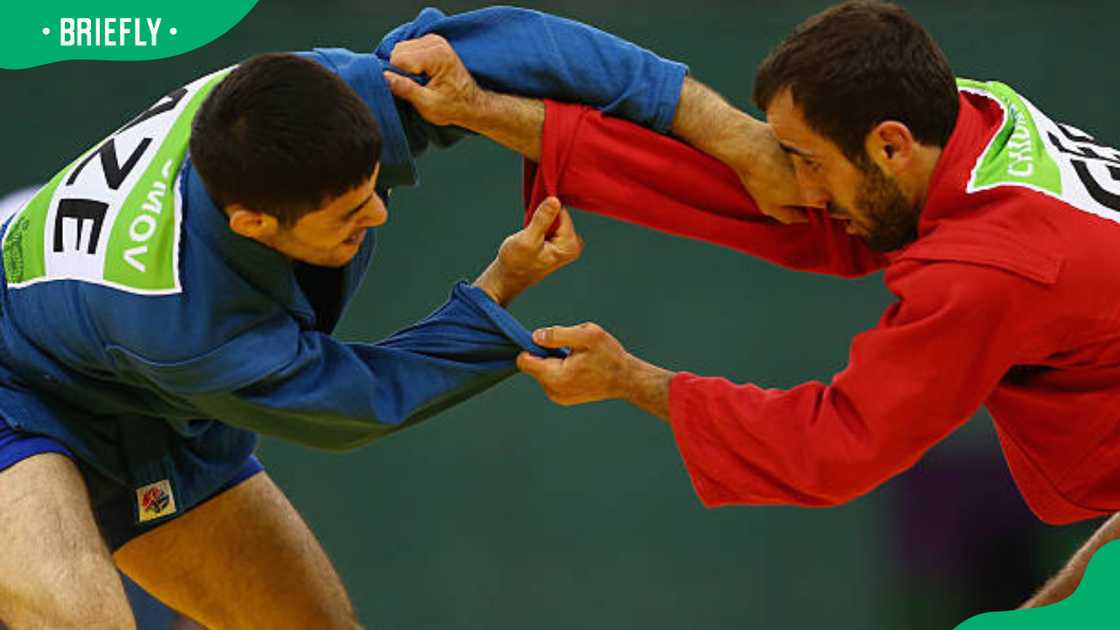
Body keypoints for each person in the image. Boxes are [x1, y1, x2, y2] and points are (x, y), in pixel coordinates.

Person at [384, 0, 1120, 610]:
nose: (801, 186)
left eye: (812, 163)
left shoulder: (989, 268)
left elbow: (836, 448)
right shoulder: (971, 118)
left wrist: (634, 381)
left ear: (890, 146)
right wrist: (483, 110)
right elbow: (776, 202)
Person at [0, 7, 691, 629]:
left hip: (131, 391)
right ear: (254, 222)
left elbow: (511, 46)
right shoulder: (190, 328)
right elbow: (363, 397)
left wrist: (728, 135)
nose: (380, 213)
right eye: (349, 212)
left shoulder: (322, 99)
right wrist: (498, 288)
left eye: (372, 187)